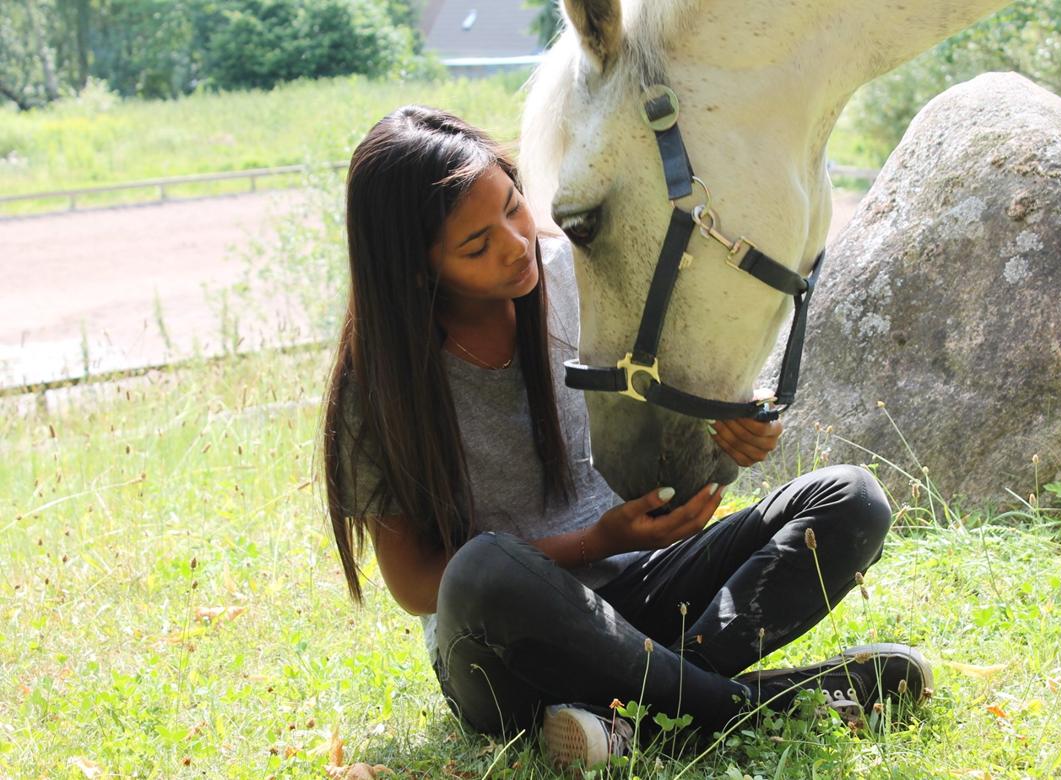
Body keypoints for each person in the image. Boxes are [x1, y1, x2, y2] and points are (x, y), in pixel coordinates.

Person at [322, 105, 932, 769]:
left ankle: (633, 724)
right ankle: (771, 705)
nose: (515, 241)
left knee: (852, 499)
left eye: (513, 206)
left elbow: (670, 429)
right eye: (476, 245)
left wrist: (730, 436)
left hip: (645, 593)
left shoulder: (577, 275)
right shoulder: (377, 387)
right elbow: (416, 585)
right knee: (484, 566)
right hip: (505, 648)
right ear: (416, 270)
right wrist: (596, 540)